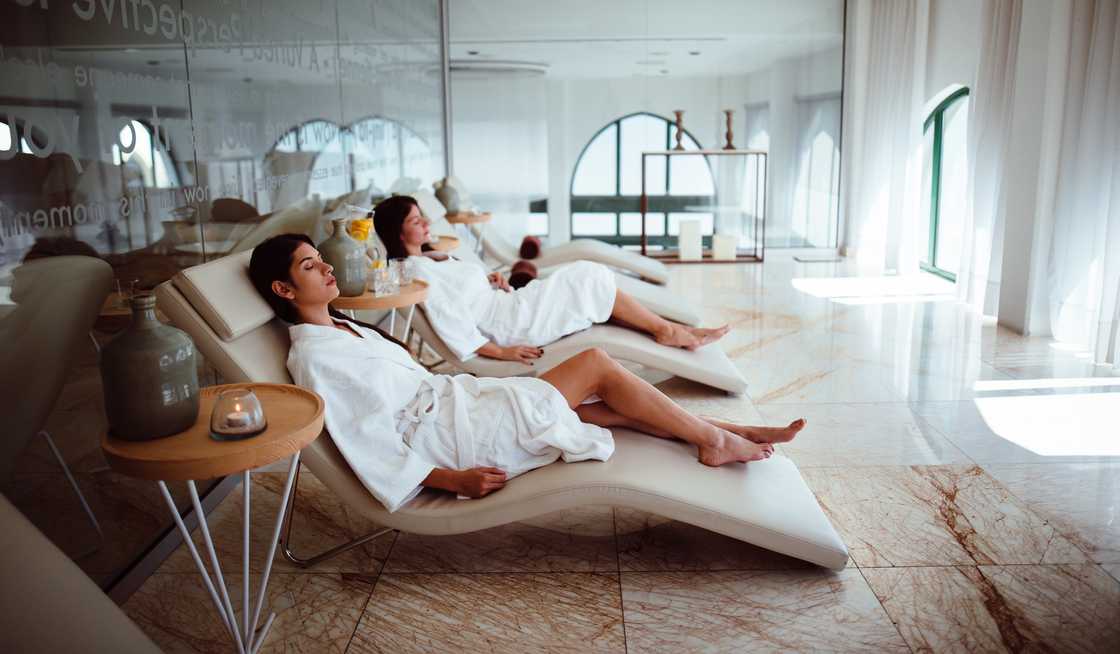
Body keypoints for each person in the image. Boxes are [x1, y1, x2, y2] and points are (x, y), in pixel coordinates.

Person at [248, 234, 805, 513]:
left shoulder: (346, 329)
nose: (326, 268)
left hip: (457, 405)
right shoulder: (315, 358)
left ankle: (724, 435)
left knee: (598, 404)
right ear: (283, 289)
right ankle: (714, 437)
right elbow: (363, 438)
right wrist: (451, 480)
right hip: (454, 439)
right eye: (309, 266)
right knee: (595, 366)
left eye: (321, 258)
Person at [372, 195, 729, 364]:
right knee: (587, 276)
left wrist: (490, 281)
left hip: (507, 304)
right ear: (396, 231)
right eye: (416, 220)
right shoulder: (415, 273)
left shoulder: (434, 258)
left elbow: (464, 293)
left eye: (422, 217)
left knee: (587, 281)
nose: (426, 223)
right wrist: (500, 351)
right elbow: (451, 320)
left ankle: (663, 329)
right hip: (508, 325)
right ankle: (666, 331)